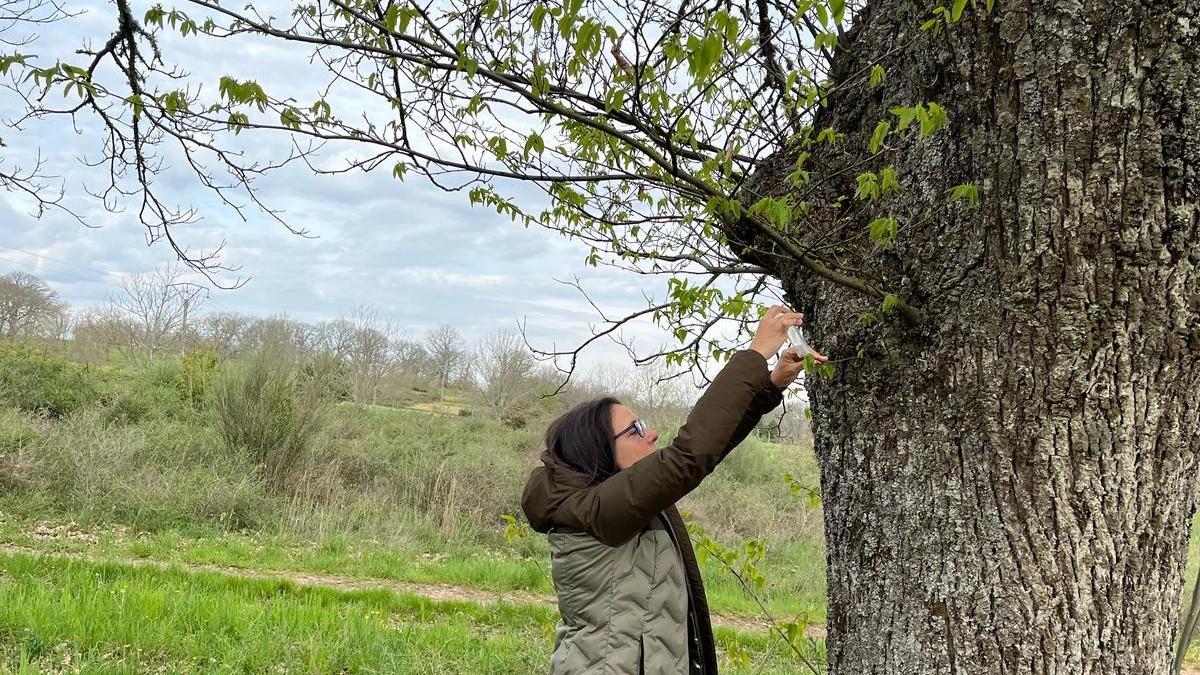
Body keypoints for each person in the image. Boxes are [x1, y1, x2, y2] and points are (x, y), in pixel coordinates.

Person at [521, 306, 826, 675]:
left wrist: (770, 384)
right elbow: (689, 456)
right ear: (598, 452)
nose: (650, 434)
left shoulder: (613, 503)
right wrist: (754, 354)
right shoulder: (595, 512)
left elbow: (708, 451)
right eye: (634, 430)